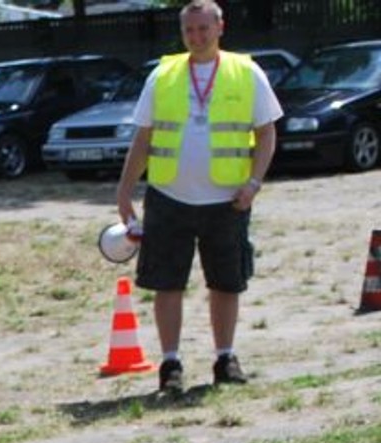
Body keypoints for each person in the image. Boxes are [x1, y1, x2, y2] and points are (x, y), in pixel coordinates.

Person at [115, 0, 280, 393]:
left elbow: (267, 133)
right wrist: (124, 191)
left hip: (227, 201)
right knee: (166, 283)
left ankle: (225, 357)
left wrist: (254, 183)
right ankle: (170, 364)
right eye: (189, 30)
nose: (196, 37)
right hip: (169, 197)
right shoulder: (164, 74)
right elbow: (144, 137)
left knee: (226, 282)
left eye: (204, 28)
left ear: (220, 27)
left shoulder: (246, 72)